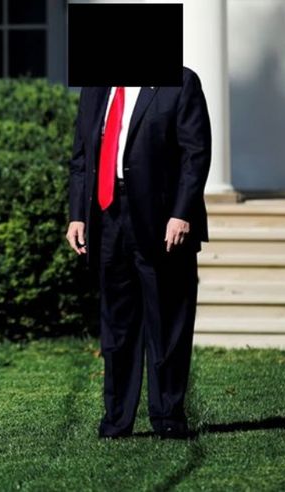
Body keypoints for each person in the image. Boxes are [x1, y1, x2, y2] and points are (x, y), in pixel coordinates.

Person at [65, 69, 212, 439]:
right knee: (117, 326)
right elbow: (81, 158)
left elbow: (195, 154)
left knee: (167, 322)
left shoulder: (181, 83)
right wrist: (77, 215)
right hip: (107, 217)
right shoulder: (96, 87)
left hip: (162, 219)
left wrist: (181, 213)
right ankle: (117, 420)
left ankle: (167, 417)